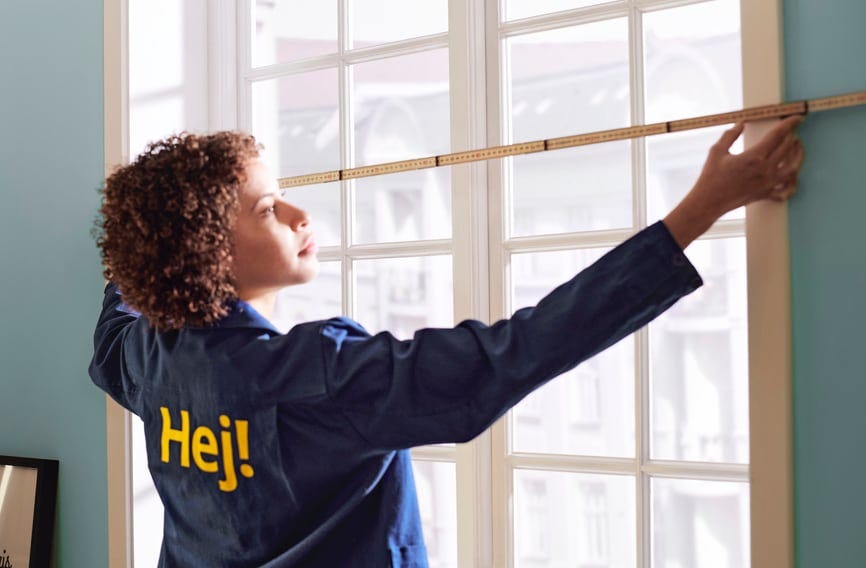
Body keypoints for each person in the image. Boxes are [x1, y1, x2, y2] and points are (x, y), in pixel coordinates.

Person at [89, 115, 805, 567]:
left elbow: (114, 312)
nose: (301, 213)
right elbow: (517, 351)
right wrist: (702, 207)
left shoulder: (144, 359)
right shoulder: (321, 376)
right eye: (271, 209)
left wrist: (152, 236)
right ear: (209, 252)